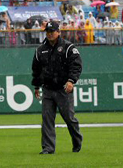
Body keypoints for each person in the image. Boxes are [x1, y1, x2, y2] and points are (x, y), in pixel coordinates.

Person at [31, 21, 83, 155]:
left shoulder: (68, 47)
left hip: (63, 89)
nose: (49, 34)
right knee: (47, 119)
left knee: (69, 118)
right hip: (47, 89)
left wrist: (71, 81)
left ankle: (77, 140)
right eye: (47, 32)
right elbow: (36, 70)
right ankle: (48, 148)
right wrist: (37, 85)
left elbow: (76, 65)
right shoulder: (40, 50)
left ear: (58, 32)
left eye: (52, 31)